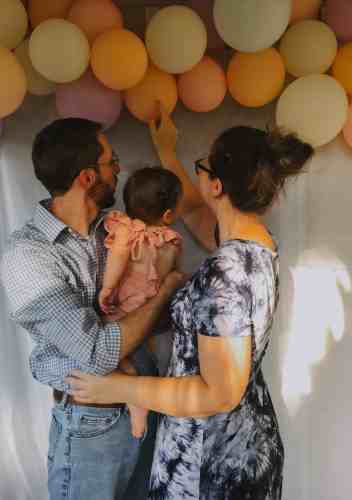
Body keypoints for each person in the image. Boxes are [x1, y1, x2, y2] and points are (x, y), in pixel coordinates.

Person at [66, 108, 315, 499]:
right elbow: (198, 211)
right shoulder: (256, 243)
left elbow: (217, 394)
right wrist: (168, 153)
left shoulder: (227, 271)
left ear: (217, 185)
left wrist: (116, 388)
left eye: (202, 167)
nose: (197, 178)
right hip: (241, 442)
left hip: (210, 463)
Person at [0, 118, 183, 500]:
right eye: (111, 161)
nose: (119, 169)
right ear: (86, 177)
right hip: (92, 426)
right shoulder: (29, 254)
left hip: (147, 400)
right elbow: (97, 353)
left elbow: (154, 320)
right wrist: (165, 288)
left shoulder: (118, 231)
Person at [99, 167, 183, 439]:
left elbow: (119, 256)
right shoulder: (169, 239)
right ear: (168, 215)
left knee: (115, 352)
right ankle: (140, 396)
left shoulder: (126, 230)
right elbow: (172, 273)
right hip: (153, 307)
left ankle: (134, 396)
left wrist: (108, 287)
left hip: (126, 304)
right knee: (146, 347)